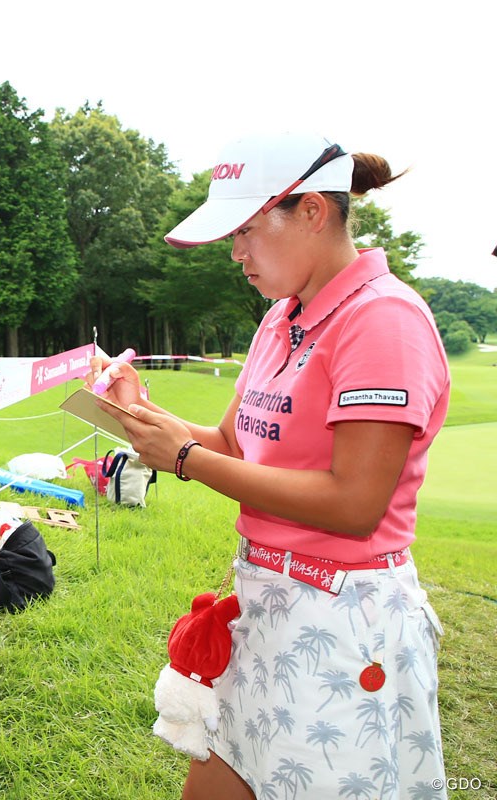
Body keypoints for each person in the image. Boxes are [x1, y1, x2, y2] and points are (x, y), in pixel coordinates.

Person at [89, 132, 449, 799]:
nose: (236, 253)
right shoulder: (283, 317)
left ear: (312, 211)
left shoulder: (383, 320)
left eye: (247, 230)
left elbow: (354, 504)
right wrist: (140, 412)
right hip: (265, 604)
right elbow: (234, 443)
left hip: (343, 621)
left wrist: (186, 458)